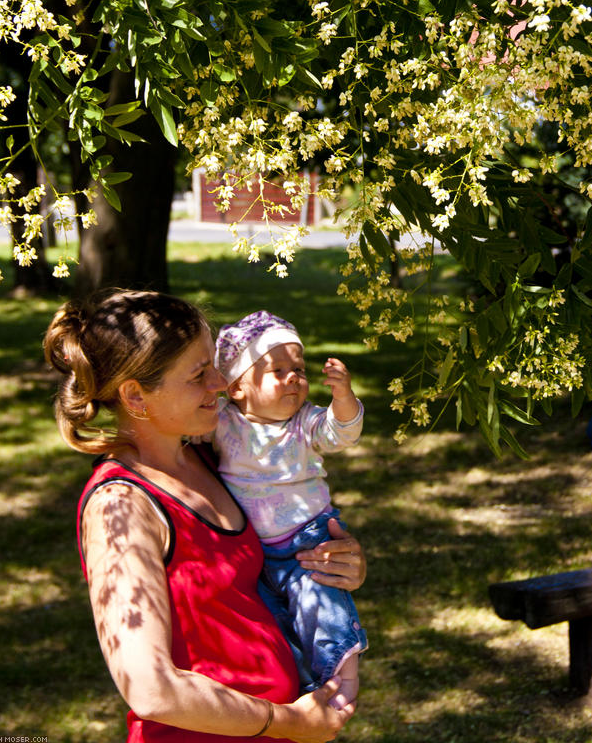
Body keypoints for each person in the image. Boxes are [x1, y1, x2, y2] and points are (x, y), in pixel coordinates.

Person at [44, 289, 366, 743]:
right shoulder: (120, 507)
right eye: (199, 374)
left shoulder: (210, 456)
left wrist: (338, 563)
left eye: (214, 364)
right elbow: (150, 688)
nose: (220, 382)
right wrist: (285, 721)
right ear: (136, 395)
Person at [213, 311, 368, 711]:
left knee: (322, 605)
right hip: (255, 550)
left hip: (309, 538)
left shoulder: (304, 422)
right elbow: (178, 429)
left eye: (298, 368)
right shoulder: (222, 423)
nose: (294, 377)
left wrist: (342, 397)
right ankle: (301, 681)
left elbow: (342, 432)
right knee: (276, 620)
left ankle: (342, 672)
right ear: (236, 388)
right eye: (277, 370)